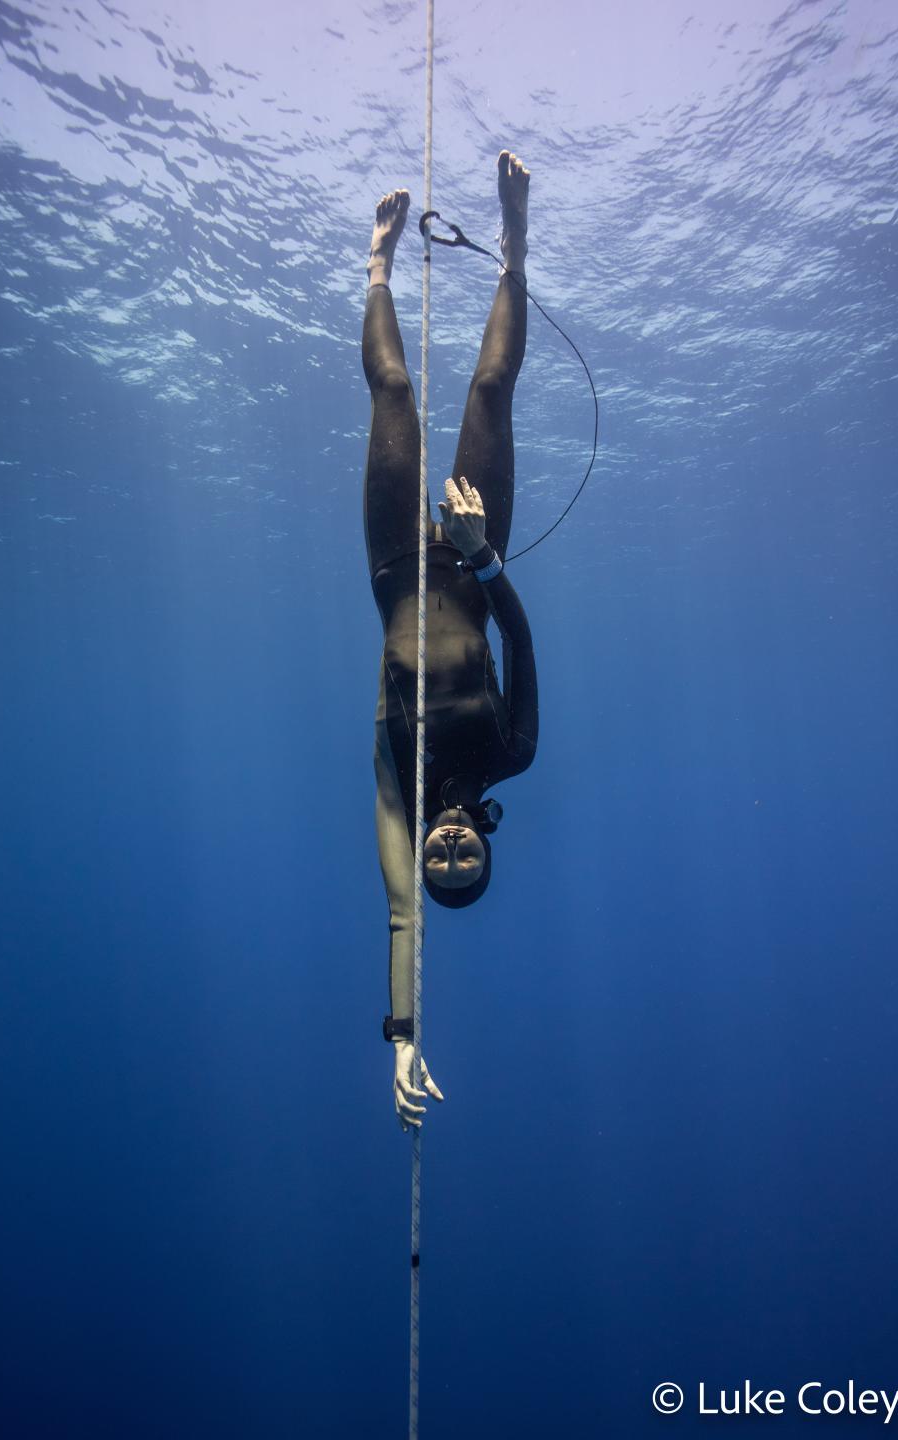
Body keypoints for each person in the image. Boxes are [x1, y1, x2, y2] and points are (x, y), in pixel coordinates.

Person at [363, 151, 539, 1130]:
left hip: (394, 563)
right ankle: (515, 244)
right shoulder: (513, 753)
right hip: (474, 549)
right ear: (484, 851)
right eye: (469, 861)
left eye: (443, 867)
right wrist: (477, 552)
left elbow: (399, 921)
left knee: (392, 396)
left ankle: (377, 263)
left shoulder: (398, 785)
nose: (452, 851)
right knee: (488, 393)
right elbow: (518, 630)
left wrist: (401, 1039)